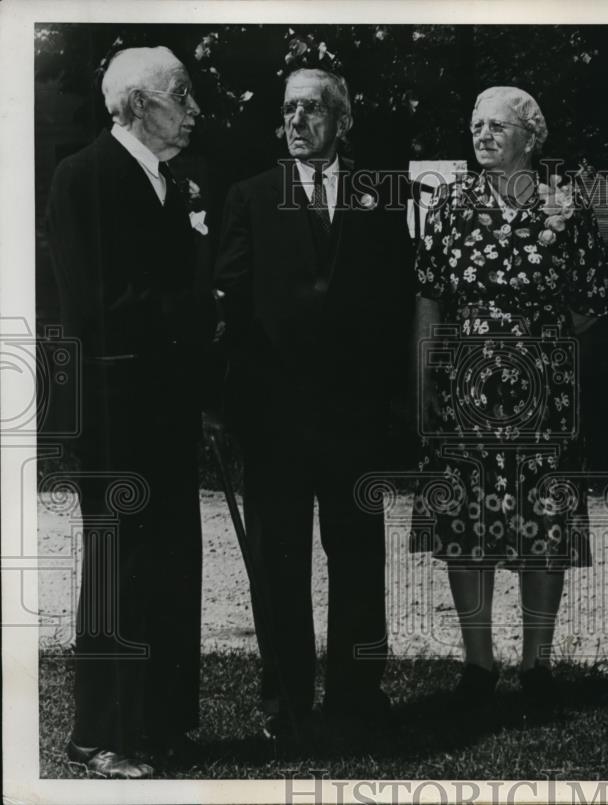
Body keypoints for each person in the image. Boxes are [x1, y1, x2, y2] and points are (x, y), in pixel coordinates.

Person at [213, 67, 414, 749]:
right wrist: (229, 397)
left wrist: (391, 404)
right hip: (274, 421)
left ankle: (359, 697)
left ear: (341, 119)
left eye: (311, 110)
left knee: (358, 559)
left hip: (355, 420)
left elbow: (394, 308)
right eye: (288, 110)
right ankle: (286, 703)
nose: (296, 121)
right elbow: (231, 301)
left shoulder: (380, 199)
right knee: (280, 563)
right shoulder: (250, 196)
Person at [410, 86, 608, 706]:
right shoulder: (449, 204)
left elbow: (590, 302)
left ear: (531, 136)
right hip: (466, 378)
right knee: (467, 518)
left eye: (497, 126)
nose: (482, 135)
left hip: (542, 383)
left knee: (542, 516)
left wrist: (536, 337)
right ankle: (478, 665)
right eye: (475, 125)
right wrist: (425, 376)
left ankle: (537, 664)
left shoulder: (567, 206)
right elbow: (429, 294)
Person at [47, 46, 217, 778]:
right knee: (122, 565)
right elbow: (97, 306)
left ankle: (161, 724)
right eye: (183, 95)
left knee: (172, 559)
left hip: (167, 404)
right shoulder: (84, 176)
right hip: (118, 409)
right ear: (142, 103)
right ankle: (101, 734)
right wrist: (197, 309)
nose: (195, 109)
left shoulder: (169, 184)